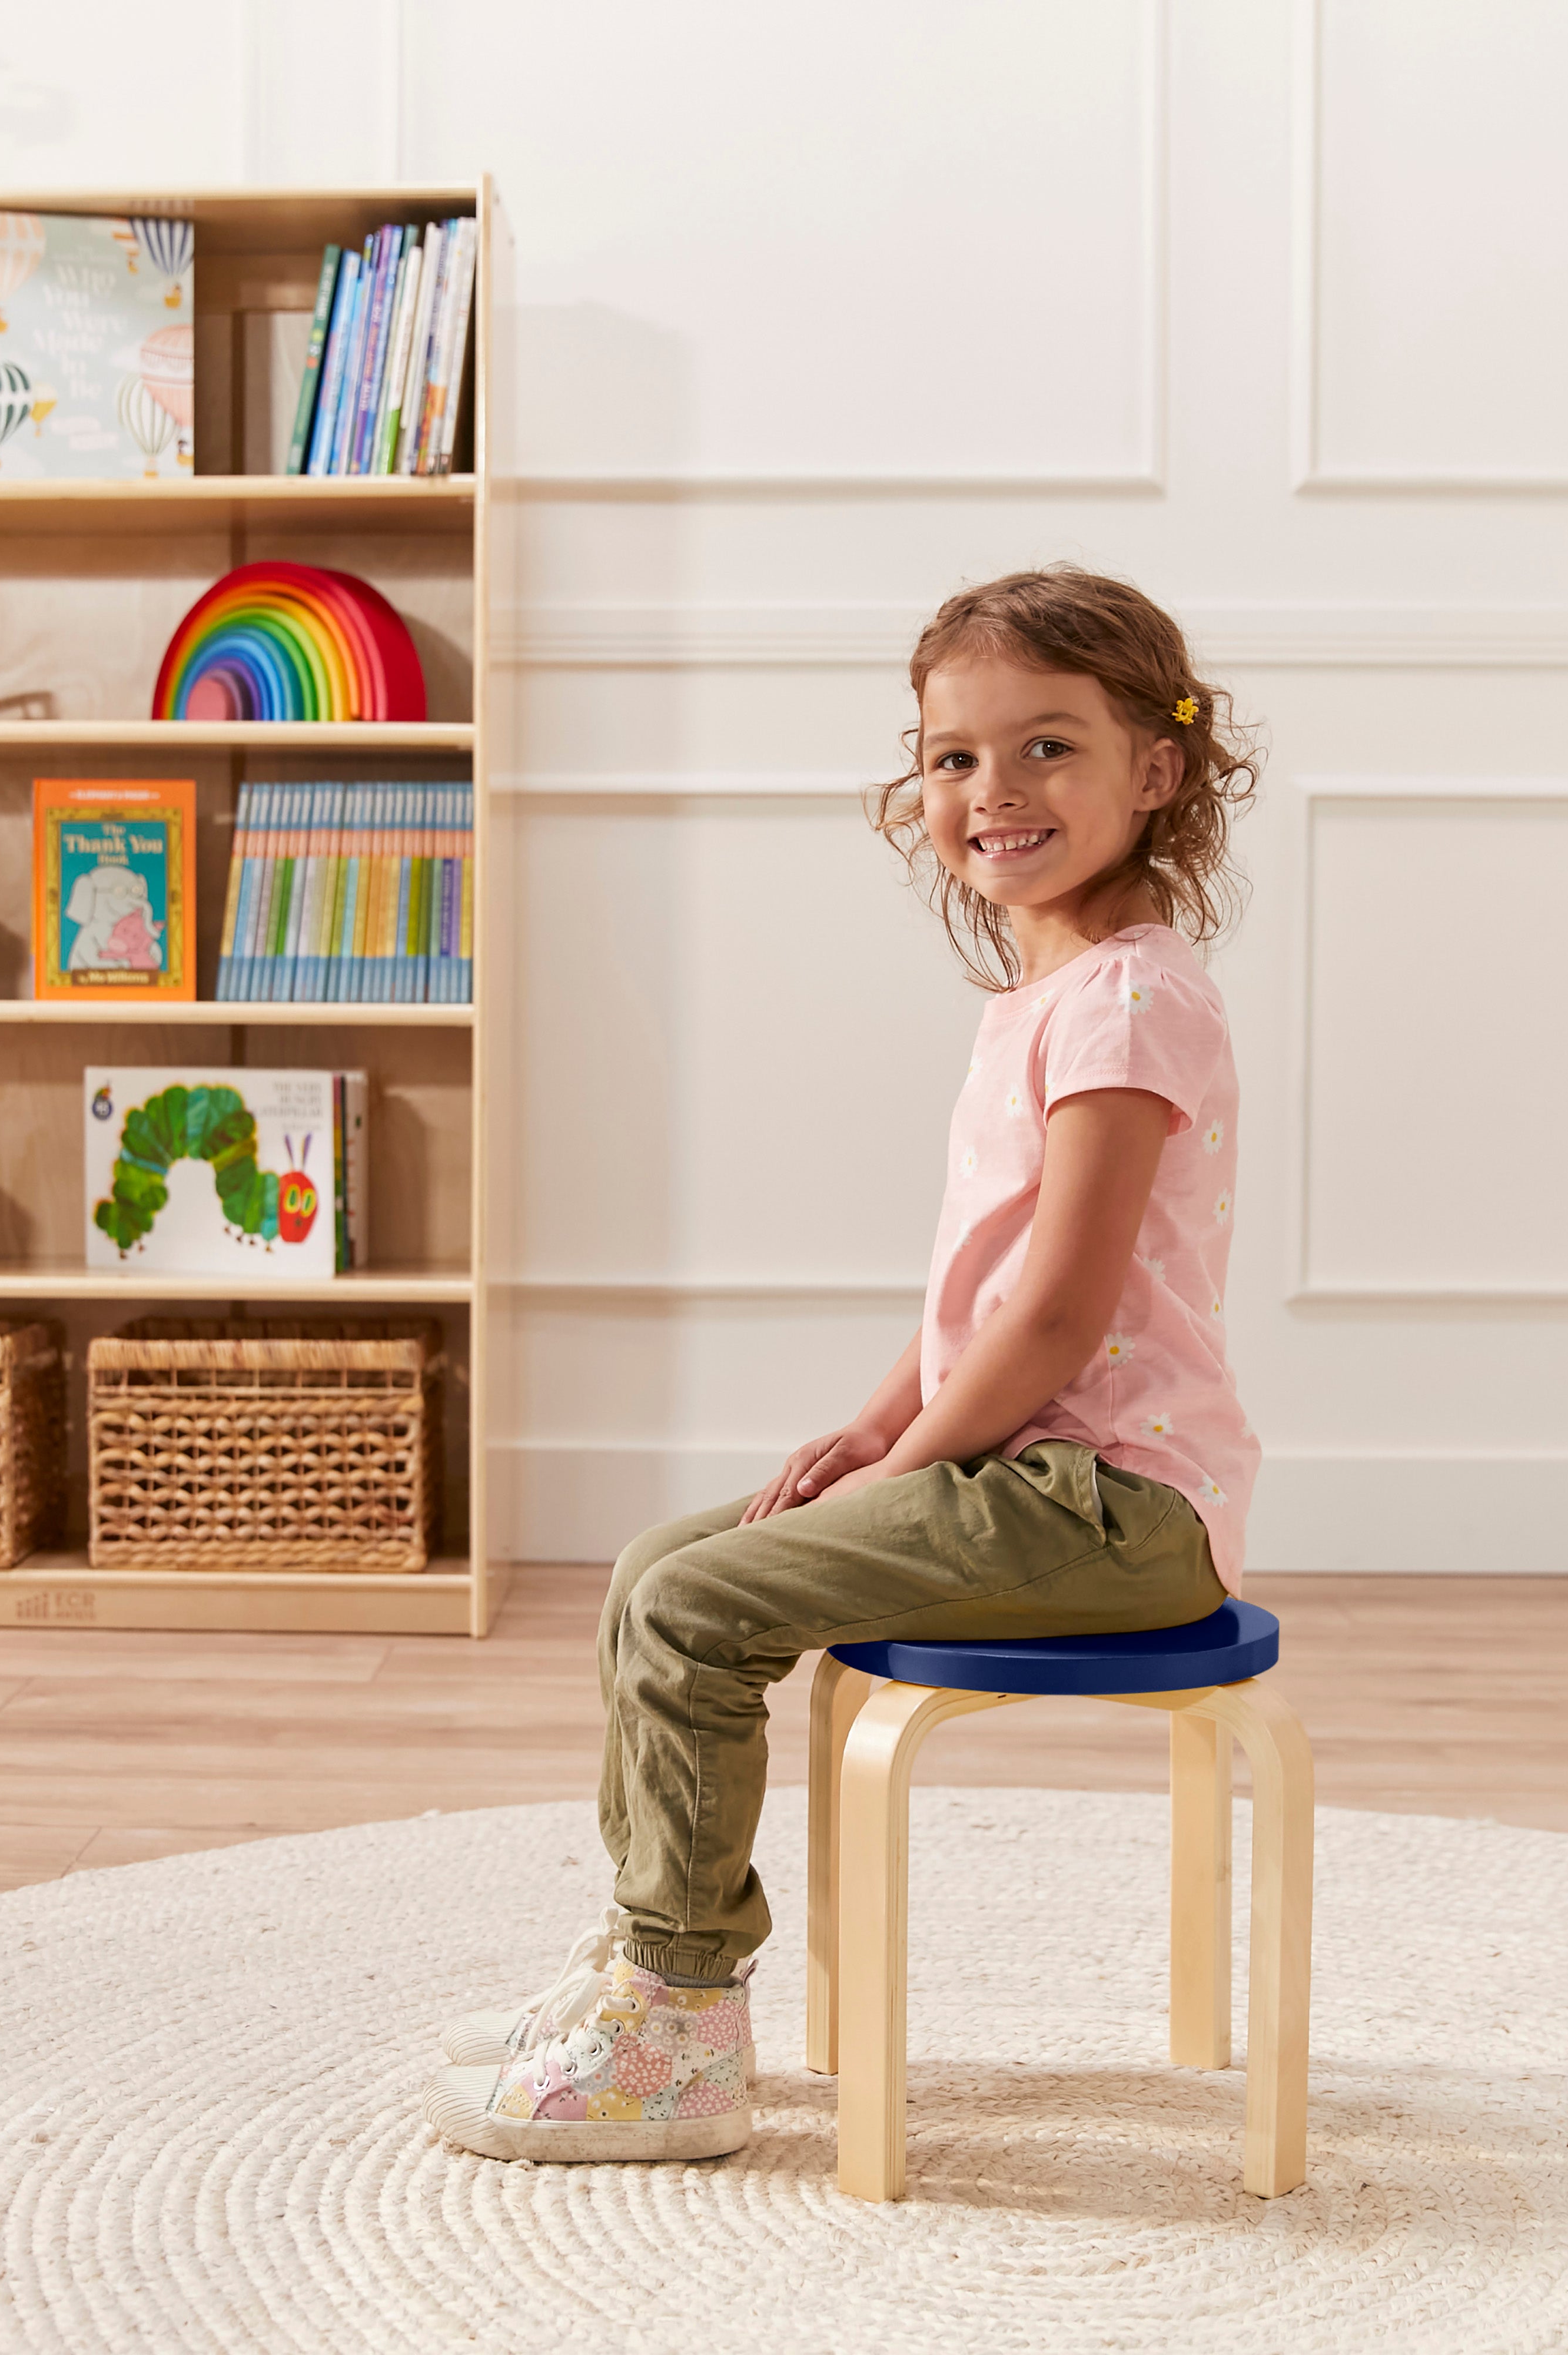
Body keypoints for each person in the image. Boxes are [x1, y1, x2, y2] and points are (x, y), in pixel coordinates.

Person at [426, 565, 1263, 2164]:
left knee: (694, 1607)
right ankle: (643, 1962)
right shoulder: (1057, 994)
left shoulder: (1133, 1002)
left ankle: (675, 2035)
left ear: (1158, 768)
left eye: (1047, 749)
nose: (992, 793)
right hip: (1030, 1474)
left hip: (1108, 1504)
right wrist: (879, 1421)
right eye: (955, 757)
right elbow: (986, 1290)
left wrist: (912, 1461)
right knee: (665, 1565)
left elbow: (1060, 1322)